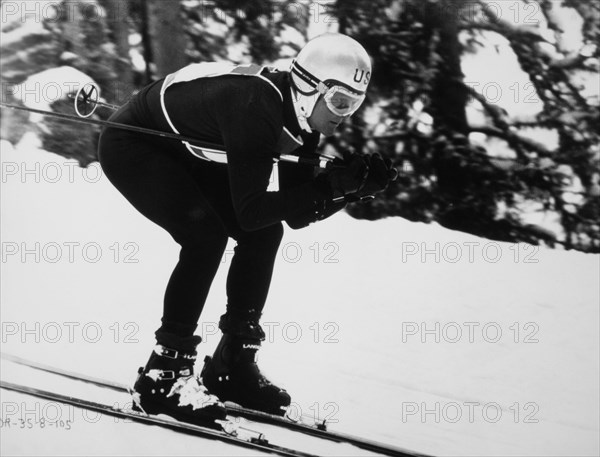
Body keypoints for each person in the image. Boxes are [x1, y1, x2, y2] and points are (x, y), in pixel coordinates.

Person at [97, 32, 393, 427]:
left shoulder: (303, 119)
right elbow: (253, 210)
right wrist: (329, 186)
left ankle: (231, 365)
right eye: (340, 100)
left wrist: (348, 191)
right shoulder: (257, 106)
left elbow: (296, 214)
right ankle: (162, 376)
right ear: (309, 88)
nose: (345, 114)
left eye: (355, 103)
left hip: (189, 149)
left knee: (264, 235)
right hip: (136, 144)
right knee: (205, 238)